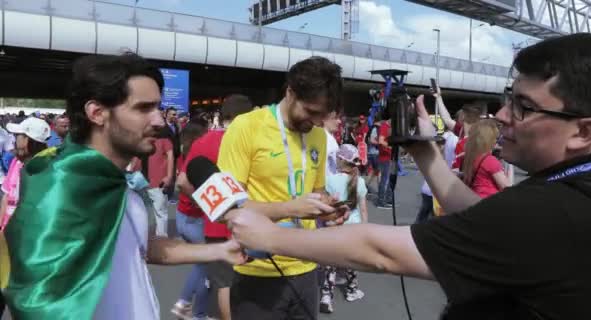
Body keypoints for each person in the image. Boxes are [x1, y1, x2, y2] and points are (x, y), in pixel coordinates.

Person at [227, 33, 591, 319]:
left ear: (585, 132)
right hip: (259, 272)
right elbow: (476, 213)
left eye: (523, 107)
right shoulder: (583, 189)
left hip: (300, 265)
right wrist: (424, 152)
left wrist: (273, 234)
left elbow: (380, 252)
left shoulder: (552, 213)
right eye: (511, 98)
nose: (504, 115)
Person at [1, 53, 246, 320]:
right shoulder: (62, 190)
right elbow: (39, 303)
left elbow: (138, 248)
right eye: (143, 108)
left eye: (158, 108)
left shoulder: (111, 181)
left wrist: (220, 250)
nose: (160, 121)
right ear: (97, 113)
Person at [218, 56, 346, 320]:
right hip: (258, 269)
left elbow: (317, 189)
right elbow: (228, 208)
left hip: (307, 265)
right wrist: (290, 208)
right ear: (290, 92)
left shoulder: (319, 136)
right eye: (310, 112)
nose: (316, 122)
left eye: (322, 116)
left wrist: (328, 209)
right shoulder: (246, 127)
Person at [174, 94, 253, 320]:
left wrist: (213, 207)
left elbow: (182, 181)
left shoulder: (205, 141)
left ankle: (193, 310)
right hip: (243, 226)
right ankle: (191, 310)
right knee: (230, 282)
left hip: (221, 227)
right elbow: (183, 181)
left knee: (223, 283)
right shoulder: (248, 141)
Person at [319, 144, 368, 313]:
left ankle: (326, 296)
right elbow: (363, 209)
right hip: (353, 228)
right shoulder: (360, 182)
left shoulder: (330, 180)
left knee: (330, 263)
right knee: (351, 261)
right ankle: (352, 291)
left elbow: (325, 204)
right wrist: (365, 229)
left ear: (340, 160)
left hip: (334, 225)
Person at [0, 117, 50, 231]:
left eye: (18, 135)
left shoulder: (46, 167)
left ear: (27, 139)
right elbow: (6, 196)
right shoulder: (16, 162)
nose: (14, 139)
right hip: (8, 230)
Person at [461, 119, 511, 198]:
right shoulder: (490, 161)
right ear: (489, 139)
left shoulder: (468, 157)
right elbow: (507, 188)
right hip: (490, 202)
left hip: (474, 199)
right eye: (495, 138)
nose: (496, 141)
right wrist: (510, 167)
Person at [375, 110, 393, 209]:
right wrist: (390, 147)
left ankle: (389, 200)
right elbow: (381, 141)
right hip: (385, 158)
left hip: (391, 157)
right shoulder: (384, 126)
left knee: (390, 180)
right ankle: (381, 202)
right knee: (385, 180)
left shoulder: (390, 127)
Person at [323, 111, 341, 177]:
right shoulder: (324, 139)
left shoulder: (331, 137)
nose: (339, 121)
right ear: (324, 119)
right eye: (336, 118)